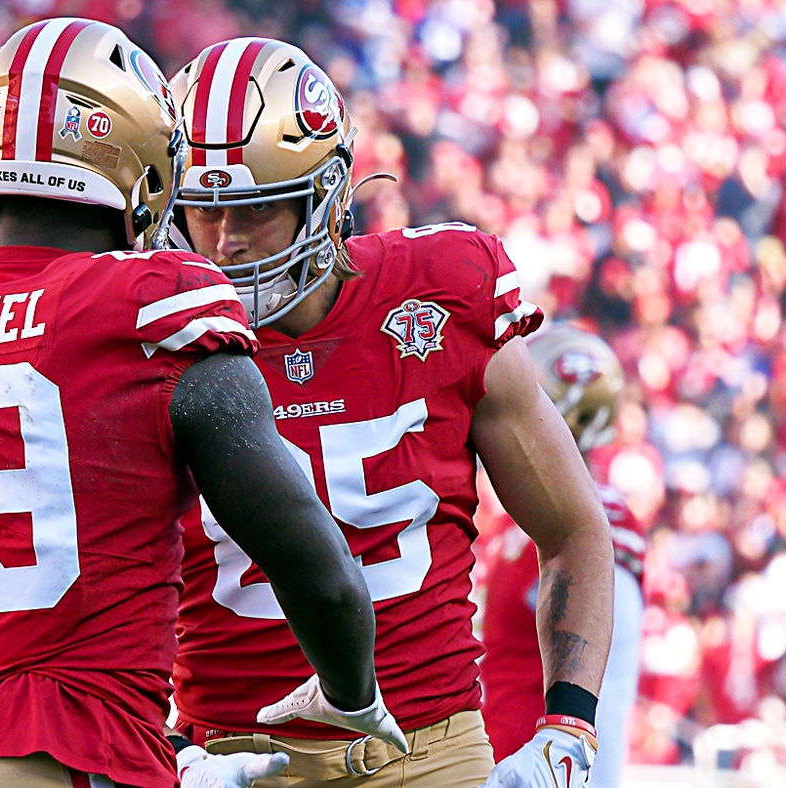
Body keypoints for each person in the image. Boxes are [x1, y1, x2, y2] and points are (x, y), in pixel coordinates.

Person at [0, 19, 405, 788]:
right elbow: (316, 568)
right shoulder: (154, 304)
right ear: (144, 170)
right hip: (84, 760)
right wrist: (353, 692)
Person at [166, 38, 614, 788]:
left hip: (430, 750)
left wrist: (568, 727)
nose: (225, 242)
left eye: (256, 209)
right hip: (229, 758)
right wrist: (167, 746)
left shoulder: (441, 292)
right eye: (202, 209)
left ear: (329, 193)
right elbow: (88, 588)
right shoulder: (153, 329)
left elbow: (573, 529)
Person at [479, 325, 645, 788]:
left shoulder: (599, 519)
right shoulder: (520, 517)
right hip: (495, 761)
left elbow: (610, 676)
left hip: (538, 771)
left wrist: (587, 775)